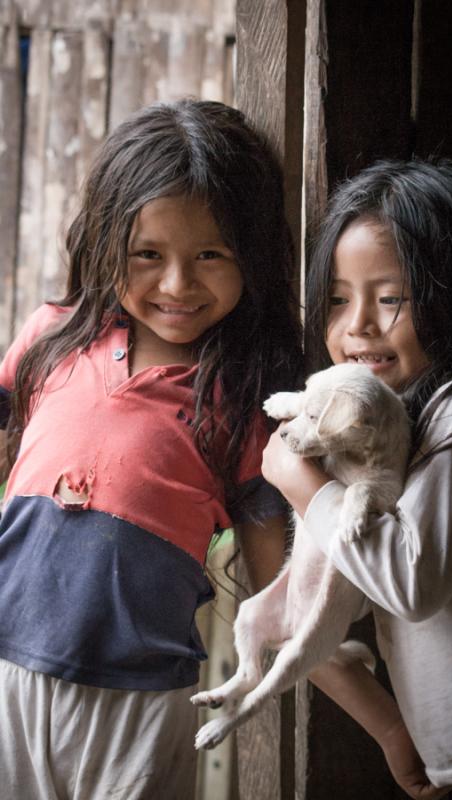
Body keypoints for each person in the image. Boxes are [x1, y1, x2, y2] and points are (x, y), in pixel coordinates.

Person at [0, 99, 304, 799]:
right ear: (108, 243)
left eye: (208, 255)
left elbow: (283, 598)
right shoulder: (52, 339)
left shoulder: (242, 402)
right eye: (147, 255)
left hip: (137, 705)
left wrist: (384, 725)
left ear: (252, 255)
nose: (176, 284)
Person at [262, 159, 452, 800]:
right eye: (337, 298)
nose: (358, 324)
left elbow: (413, 583)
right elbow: (329, 594)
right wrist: (388, 727)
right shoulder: (391, 428)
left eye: (390, 299)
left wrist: (304, 485)